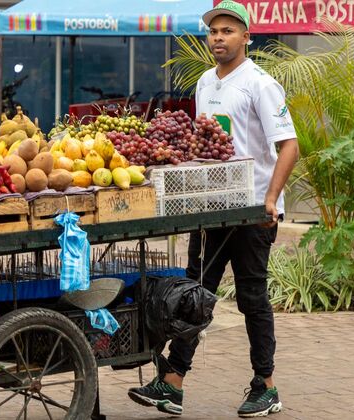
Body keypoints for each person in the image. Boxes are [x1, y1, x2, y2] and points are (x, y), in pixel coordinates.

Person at [127, 1, 299, 417]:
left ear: (246, 38)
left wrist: (271, 200)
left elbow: (289, 146)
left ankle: (266, 386)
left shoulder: (260, 84)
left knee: (252, 298)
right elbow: (206, 144)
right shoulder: (205, 82)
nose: (218, 38)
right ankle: (172, 384)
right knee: (194, 292)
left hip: (251, 211)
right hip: (211, 206)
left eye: (228, 31)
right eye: (214, 31)